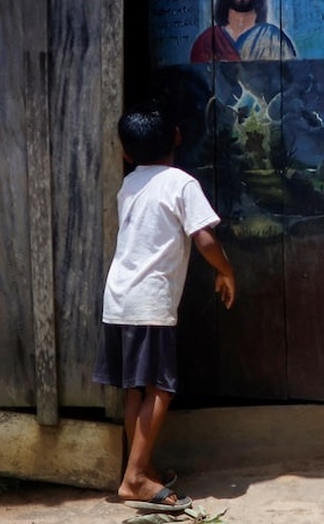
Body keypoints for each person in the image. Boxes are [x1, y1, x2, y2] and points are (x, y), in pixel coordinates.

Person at [93, 99, 236, 513]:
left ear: (125, 152)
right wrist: (225, 271)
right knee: (161, 388)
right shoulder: (180, 183)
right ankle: (134, 478)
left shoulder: (130, 184)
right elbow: (204, 237)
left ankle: (143, 464)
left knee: (135, 388)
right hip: (150, 302)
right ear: (176, 136)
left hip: (119, 298)